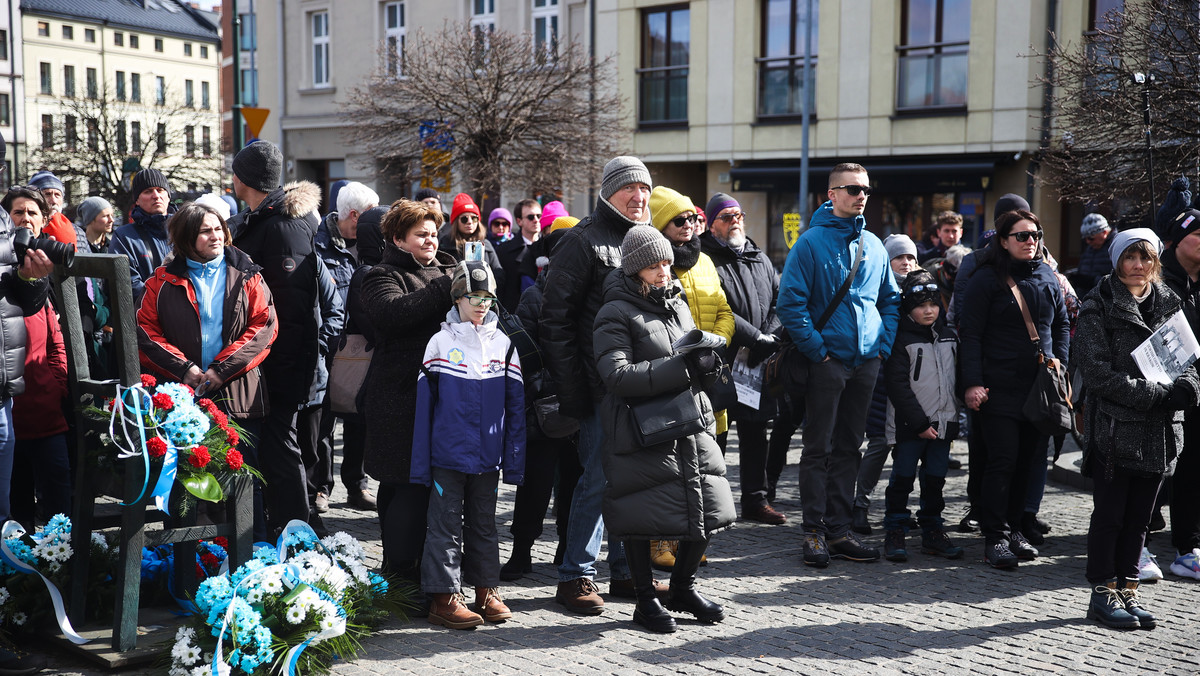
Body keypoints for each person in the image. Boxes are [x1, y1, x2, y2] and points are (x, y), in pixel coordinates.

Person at [593, 225, 736, 633]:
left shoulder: (677, 301)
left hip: (691, 421)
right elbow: (616, 375)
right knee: (642, 515)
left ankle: (683, 588)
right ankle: (644, 600)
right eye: (654, 265)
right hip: (642, 429)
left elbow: (689, 355)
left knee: (708, 507)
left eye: (667, 263)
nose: (663, 271)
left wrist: (708, 363)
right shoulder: (614, 311)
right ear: (636, 268)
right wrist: (683, 367)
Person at [541, 156, 656, 614]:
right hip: (599, 390)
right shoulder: (582, 241)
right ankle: (576, 576)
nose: (640, 197)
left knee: (633, 482)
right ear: (609, 190)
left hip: (640, 387)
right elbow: (556, 323)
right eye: (630, 188)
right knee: (598, 481)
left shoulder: (643, 238)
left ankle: (626, 573)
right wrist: (573, 392)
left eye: (646, 189)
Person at [777, 163, 901, 567]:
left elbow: (890, 300)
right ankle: (813, 531)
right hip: (827, 363)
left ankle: (840, 530)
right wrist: (818, 351)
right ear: (831, 195)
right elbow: (790, 304)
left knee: (850, 446)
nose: (860, 194)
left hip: (865, 362)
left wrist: (881, 346)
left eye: (865, 189)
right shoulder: (810, 243)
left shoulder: (875, 245)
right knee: (817, 449)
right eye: (851, 188)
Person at [1075, 228, 1198, 629]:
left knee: (1140, 520)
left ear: (1156, 262)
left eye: (1146, 258)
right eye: (1130, 257)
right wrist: (1157, 395)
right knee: (1110, 515)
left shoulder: (1169, 303)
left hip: (1161, 433)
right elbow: (1096, 374)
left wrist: (1188, 389)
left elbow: (1190, 362)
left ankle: (1129, 591)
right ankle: (1103, 593)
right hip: (1115, 430)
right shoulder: (1098, 304)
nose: (1138, 266)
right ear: (1116, 261)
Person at [136, 202, 279, 543]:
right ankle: (183, 561)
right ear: (187, 238)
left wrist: (220, 370)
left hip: (238, 395)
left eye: (218, 229)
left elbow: (264, 327)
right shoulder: (162, 281)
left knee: (244, 480)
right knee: (184, 484)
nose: (215, 236)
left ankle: (251, 552)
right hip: (182, 398)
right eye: (205, 231)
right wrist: (185, 369)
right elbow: (144, 331)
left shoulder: (247, 274)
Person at [228, 140, 338, 536]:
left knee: (281, 448)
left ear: (244, 179)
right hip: (268, 363)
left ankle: (299, 533)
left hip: (279, 366)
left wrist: (285, 370)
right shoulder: (268, 220)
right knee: (273, 449)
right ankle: (285, 528)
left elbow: (291, 310)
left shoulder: (283, 226)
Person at [412, 260, 524, 629]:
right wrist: (421, 464)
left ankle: (485, 589)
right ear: (458, 296)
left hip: (487, 458)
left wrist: (514, 461)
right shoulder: (440, 343)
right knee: (444, 525)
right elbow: (424, 408)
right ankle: (444, 596)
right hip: (447, 455)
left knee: (484, 524)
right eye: (473, 296)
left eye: (488, 297)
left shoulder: (505, 345)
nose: (481, 304)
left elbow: (515, 407)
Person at [360, 198, 456, 611]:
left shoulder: (446, 271)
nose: (431, 240)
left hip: (441, 398)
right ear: (399, 238)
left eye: (434, 233)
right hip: (399, 398)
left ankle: (417, 570)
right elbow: (392, 314)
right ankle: (400, 577)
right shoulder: (380, 274)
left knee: (422, 489)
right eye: (421, 234)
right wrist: (444, 288)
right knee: (404, 487)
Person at [960, 209, 1069, 569]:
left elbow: (1063, 323)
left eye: (1035, 235)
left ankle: (1018, 529)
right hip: (998, 388)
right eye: (1021, 235)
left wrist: (1059, 364)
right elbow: (970, 335)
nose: (1030, 241)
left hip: (1039, 388)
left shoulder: (1047, 276)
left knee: (1029, 461)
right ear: (1003, 240)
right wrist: (973, 383)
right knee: (1002, 460)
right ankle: (995, 536)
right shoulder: (985, 279)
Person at [648, 186, 735, 569]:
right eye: (678, 220)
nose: (689, 226)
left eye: (693, 219)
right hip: (673, 374)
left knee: (705, 463)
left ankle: (693, 539)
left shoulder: (704, 261)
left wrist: (717, 343)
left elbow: (725, 311)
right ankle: (659, 542)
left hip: (708, 374)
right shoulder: (652, 266)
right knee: (669, 466)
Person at [698, 193, 791, 525]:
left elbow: (780, 299)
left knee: (755, 434)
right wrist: (757, 338)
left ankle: (756, 500)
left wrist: (770, 337)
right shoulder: (704, 258)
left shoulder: (759, 256)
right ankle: (711, 504)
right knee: (716, 437)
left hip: (756, 364)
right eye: (725, 216)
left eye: (738, 214)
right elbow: (719, 306)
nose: (734, 220)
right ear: (711, 225)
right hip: (722, 363)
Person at [500, 220, 583, 582]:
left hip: (580, 408)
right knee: (535, 485)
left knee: (575, 484)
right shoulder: (536, 295)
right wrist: (546, 392)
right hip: (543, 408)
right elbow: (522, 352)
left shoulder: (586, 294)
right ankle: (521, 552)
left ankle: (568, 547)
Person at [951, 193, 1030, 534]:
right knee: (988, 450)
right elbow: (967, 322)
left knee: (1022, 455)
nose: (1029, 240)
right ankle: (983, 512)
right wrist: (973, 377)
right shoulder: (979, 263)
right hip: (988, 373)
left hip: (1029, 378)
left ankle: (1021, 515)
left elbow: (1060, 314)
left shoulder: (1040, 262)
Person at [882, 269, 965, 562]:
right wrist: (918, 423)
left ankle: (932, 529)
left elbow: (958, 379)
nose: (928, 310)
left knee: (935, 479)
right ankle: (894, 529)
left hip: (943, 425)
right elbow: (897, 386)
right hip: (911, 426)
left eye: (933, 304)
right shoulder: (901, 340)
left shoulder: (948, 337)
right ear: (909, 309)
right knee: (902, 477)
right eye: (920, 306)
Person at [309, 181, 379, 513]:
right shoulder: (317, 243)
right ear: (354, 216)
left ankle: (357, 485)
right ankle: (321, 487)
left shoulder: (373, 245)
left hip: (364, 347)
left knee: (361, 419)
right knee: (324, 423)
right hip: (331, 348)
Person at [853, 233, 919, 535]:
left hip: (914, 381)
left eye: (910, 258)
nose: (906, 263)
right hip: (880, 377)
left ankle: (898, 509)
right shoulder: (878, 287)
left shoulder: (923, 288)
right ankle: (859, 505)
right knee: (878, 443)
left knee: (907, 450)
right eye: (899, 257)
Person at [1154, 209, 1200, 581]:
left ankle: (1189, 544)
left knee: (1194, 471)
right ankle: (1135, 545)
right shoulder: (1158, 282)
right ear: (1176, 242)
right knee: (1164, 469)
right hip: (1168, 393)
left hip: (1197, 392)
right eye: (1198, 234)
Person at [110, 168, 176, 304]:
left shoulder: (185, 230)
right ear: (137, 201)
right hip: (146, 318)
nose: (156, 195)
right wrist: (167, 303)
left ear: (168, 196)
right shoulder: (124, 237)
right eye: (148, 191)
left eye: (160, 190)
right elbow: (128, 284)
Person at [439, 193, 504, 282]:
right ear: (456, 221)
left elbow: (498, 274)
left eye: (474, 218)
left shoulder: (486, 244)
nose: (469, 222)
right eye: (464, 219)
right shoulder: (445, 244)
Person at [496, 199, 541, 311]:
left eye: (539, 216)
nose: (536, 220)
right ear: (519, 221)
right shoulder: (503, 251)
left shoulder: (549, 249)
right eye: (530, 217)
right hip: (513, 315)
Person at [28, 170, 76, 249]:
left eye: (57, 195)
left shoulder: (77, 231)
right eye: (47, 194)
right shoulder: (25, 226)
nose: (53, 201)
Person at [1076, 213, 1115, 296]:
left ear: (1104, 232)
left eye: (1091, 238)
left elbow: (1119, 280)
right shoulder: (1090, 248)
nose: (1088, 242)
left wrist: (1094, 281)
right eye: (1085, 238)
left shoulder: (1116, 247)